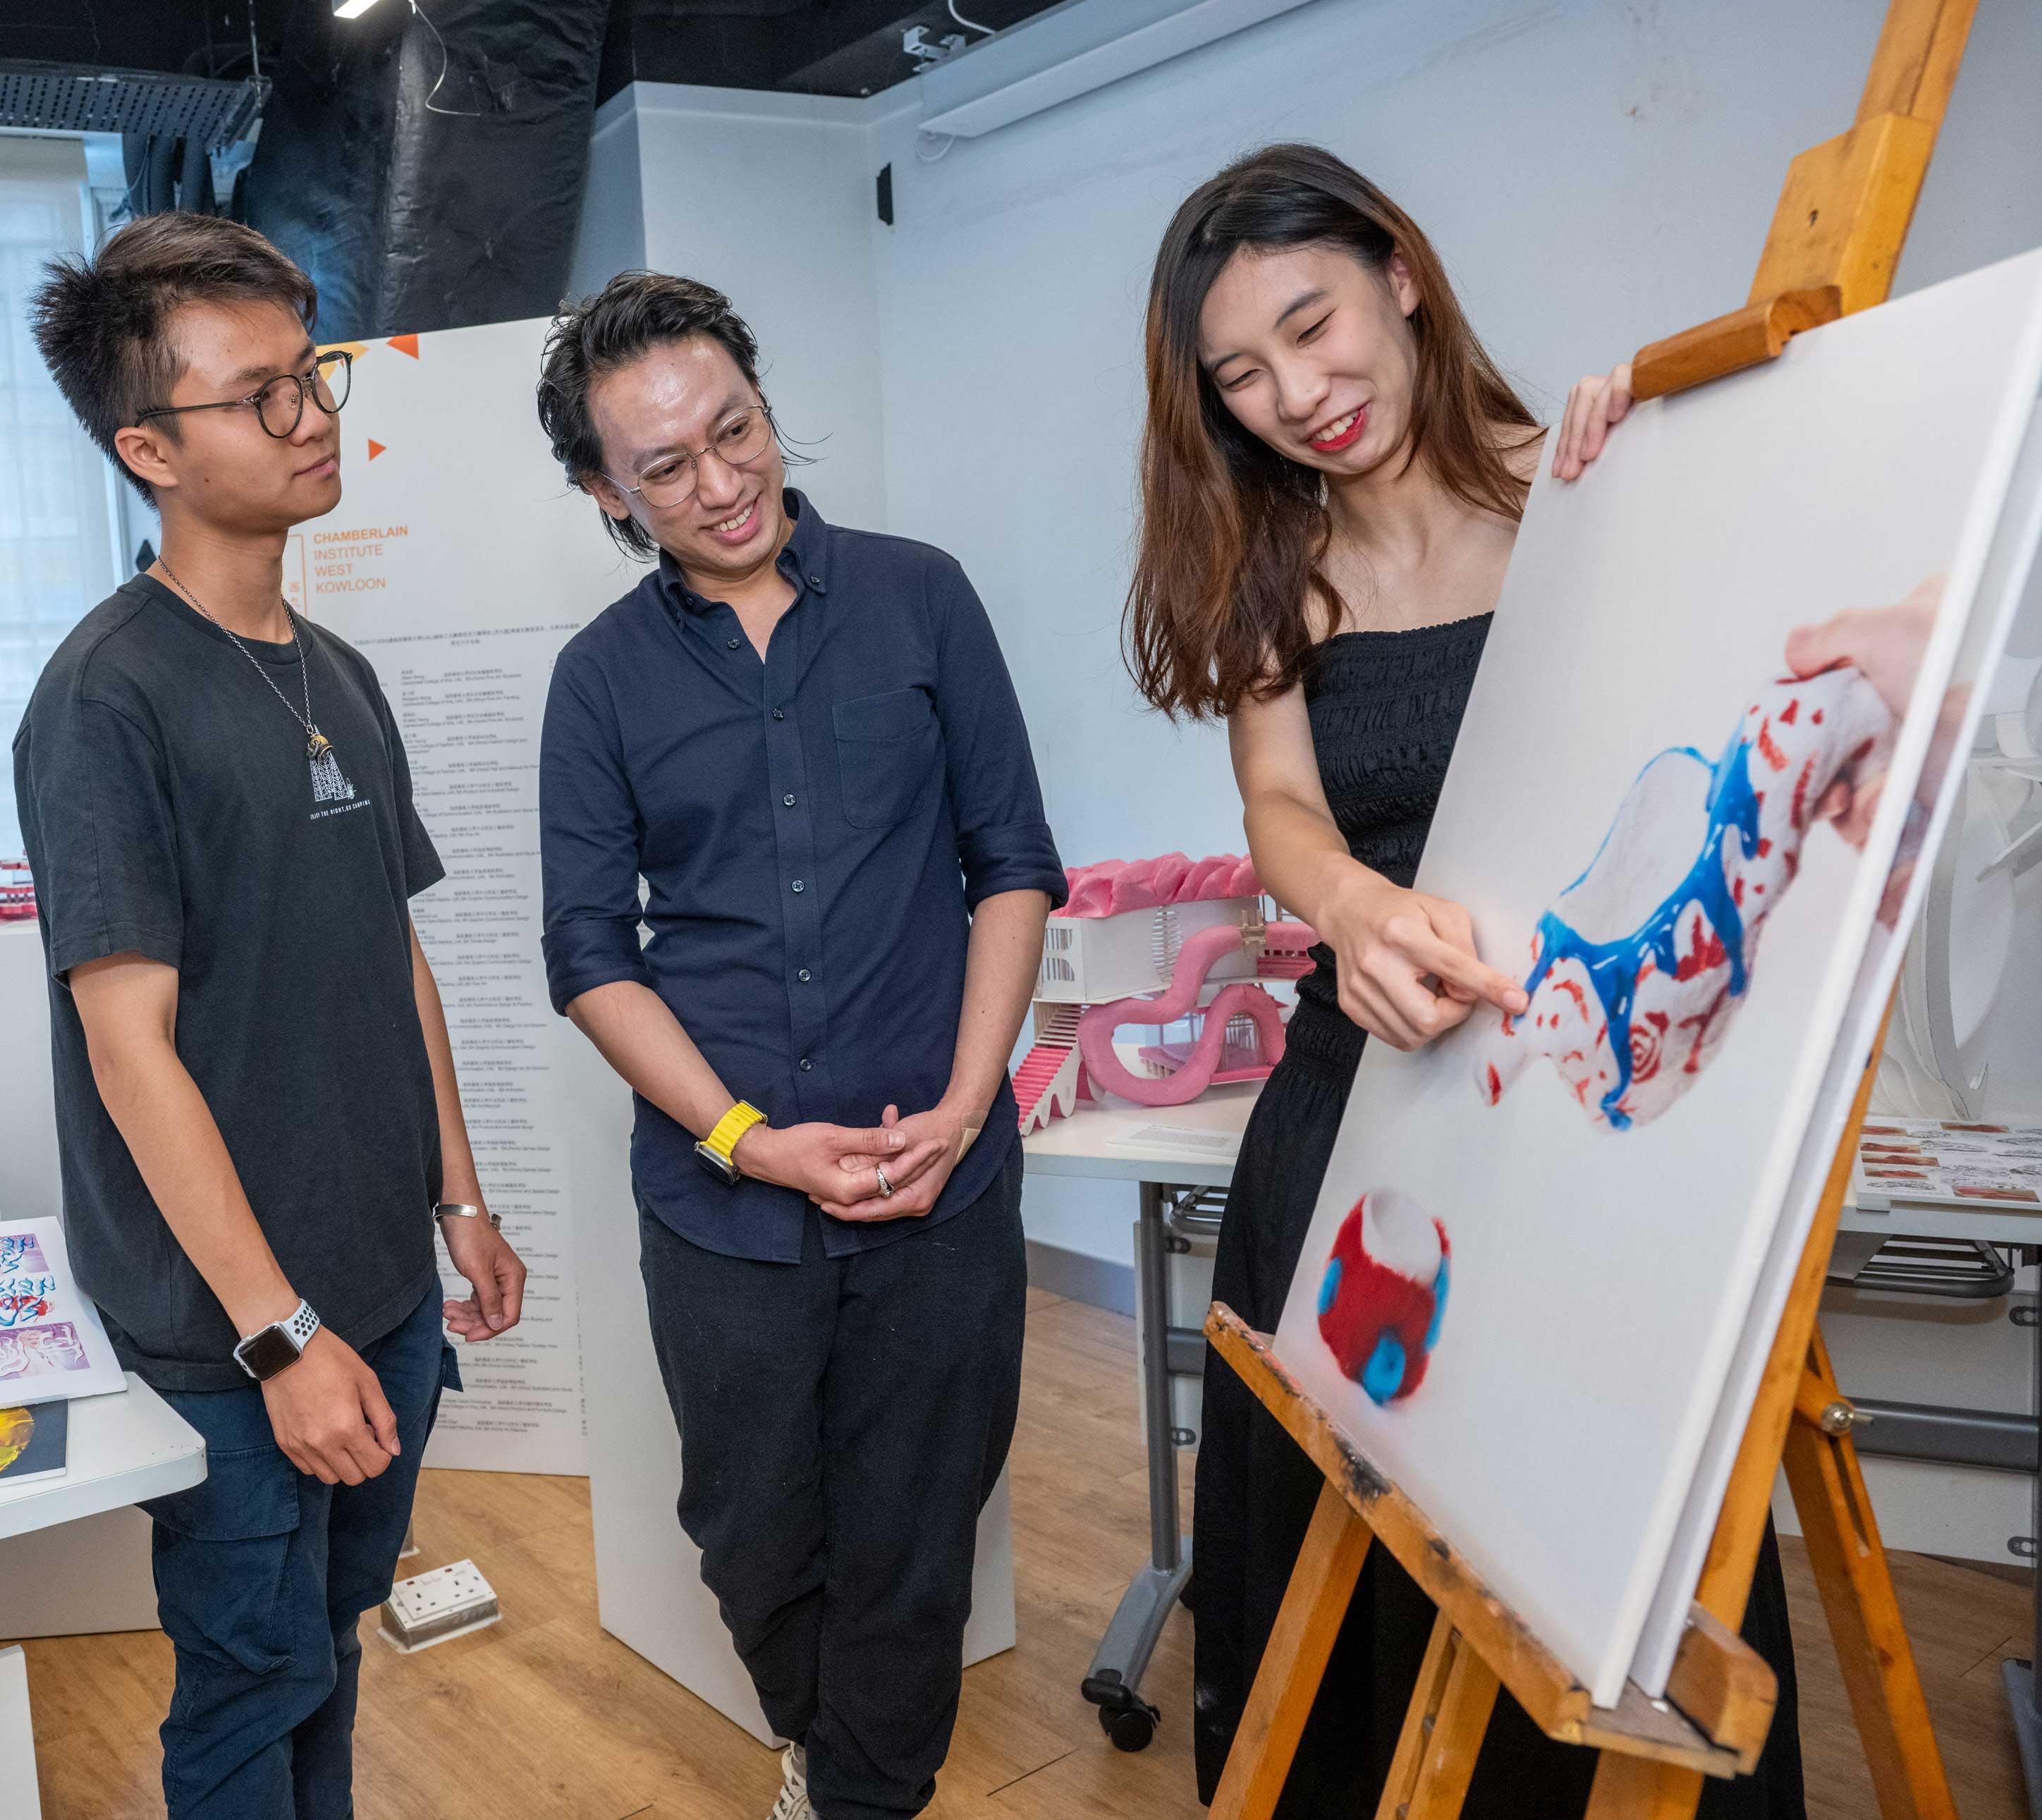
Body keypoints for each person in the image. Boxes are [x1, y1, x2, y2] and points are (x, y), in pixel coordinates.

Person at [1125, 143, 1809, 1816]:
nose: (1297, 394)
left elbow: (1717, 741)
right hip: (1354, 1128)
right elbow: (1278, 807)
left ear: (1400, 274)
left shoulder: (1587, 481)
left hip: (1576, 1115)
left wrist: (1656, 484)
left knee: (1587, 1578)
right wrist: (1354, 907)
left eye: (1312, 325)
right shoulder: (1271, 566)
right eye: (1241, 373)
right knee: (1352, 1607)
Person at [14, 212, 526, 1819]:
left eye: (311, 379)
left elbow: (393, 953)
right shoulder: (104, 697)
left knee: (329, 1638)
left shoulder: (337, 670)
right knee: (250, 1684)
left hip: (379, 1280)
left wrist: (459, 1198)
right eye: (262, 397)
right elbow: (129, 1051)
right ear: (148, 449)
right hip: (241, 1328)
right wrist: (280, 1336)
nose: (313, 420)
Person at [534, 270, 1065, 1820]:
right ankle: (836, 1760)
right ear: (608, 495)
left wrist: (965, 1103)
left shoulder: (920, 598)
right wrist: (747, 1142)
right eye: (666, 468)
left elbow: (1010, 861)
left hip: (938, 1178)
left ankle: (854, 1799)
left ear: (763, 404)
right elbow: (588, 955)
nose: (721, 484)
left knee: (916, 1534)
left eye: (736, 429)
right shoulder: (600, 681)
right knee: (751, 1532)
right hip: (726, 1204)